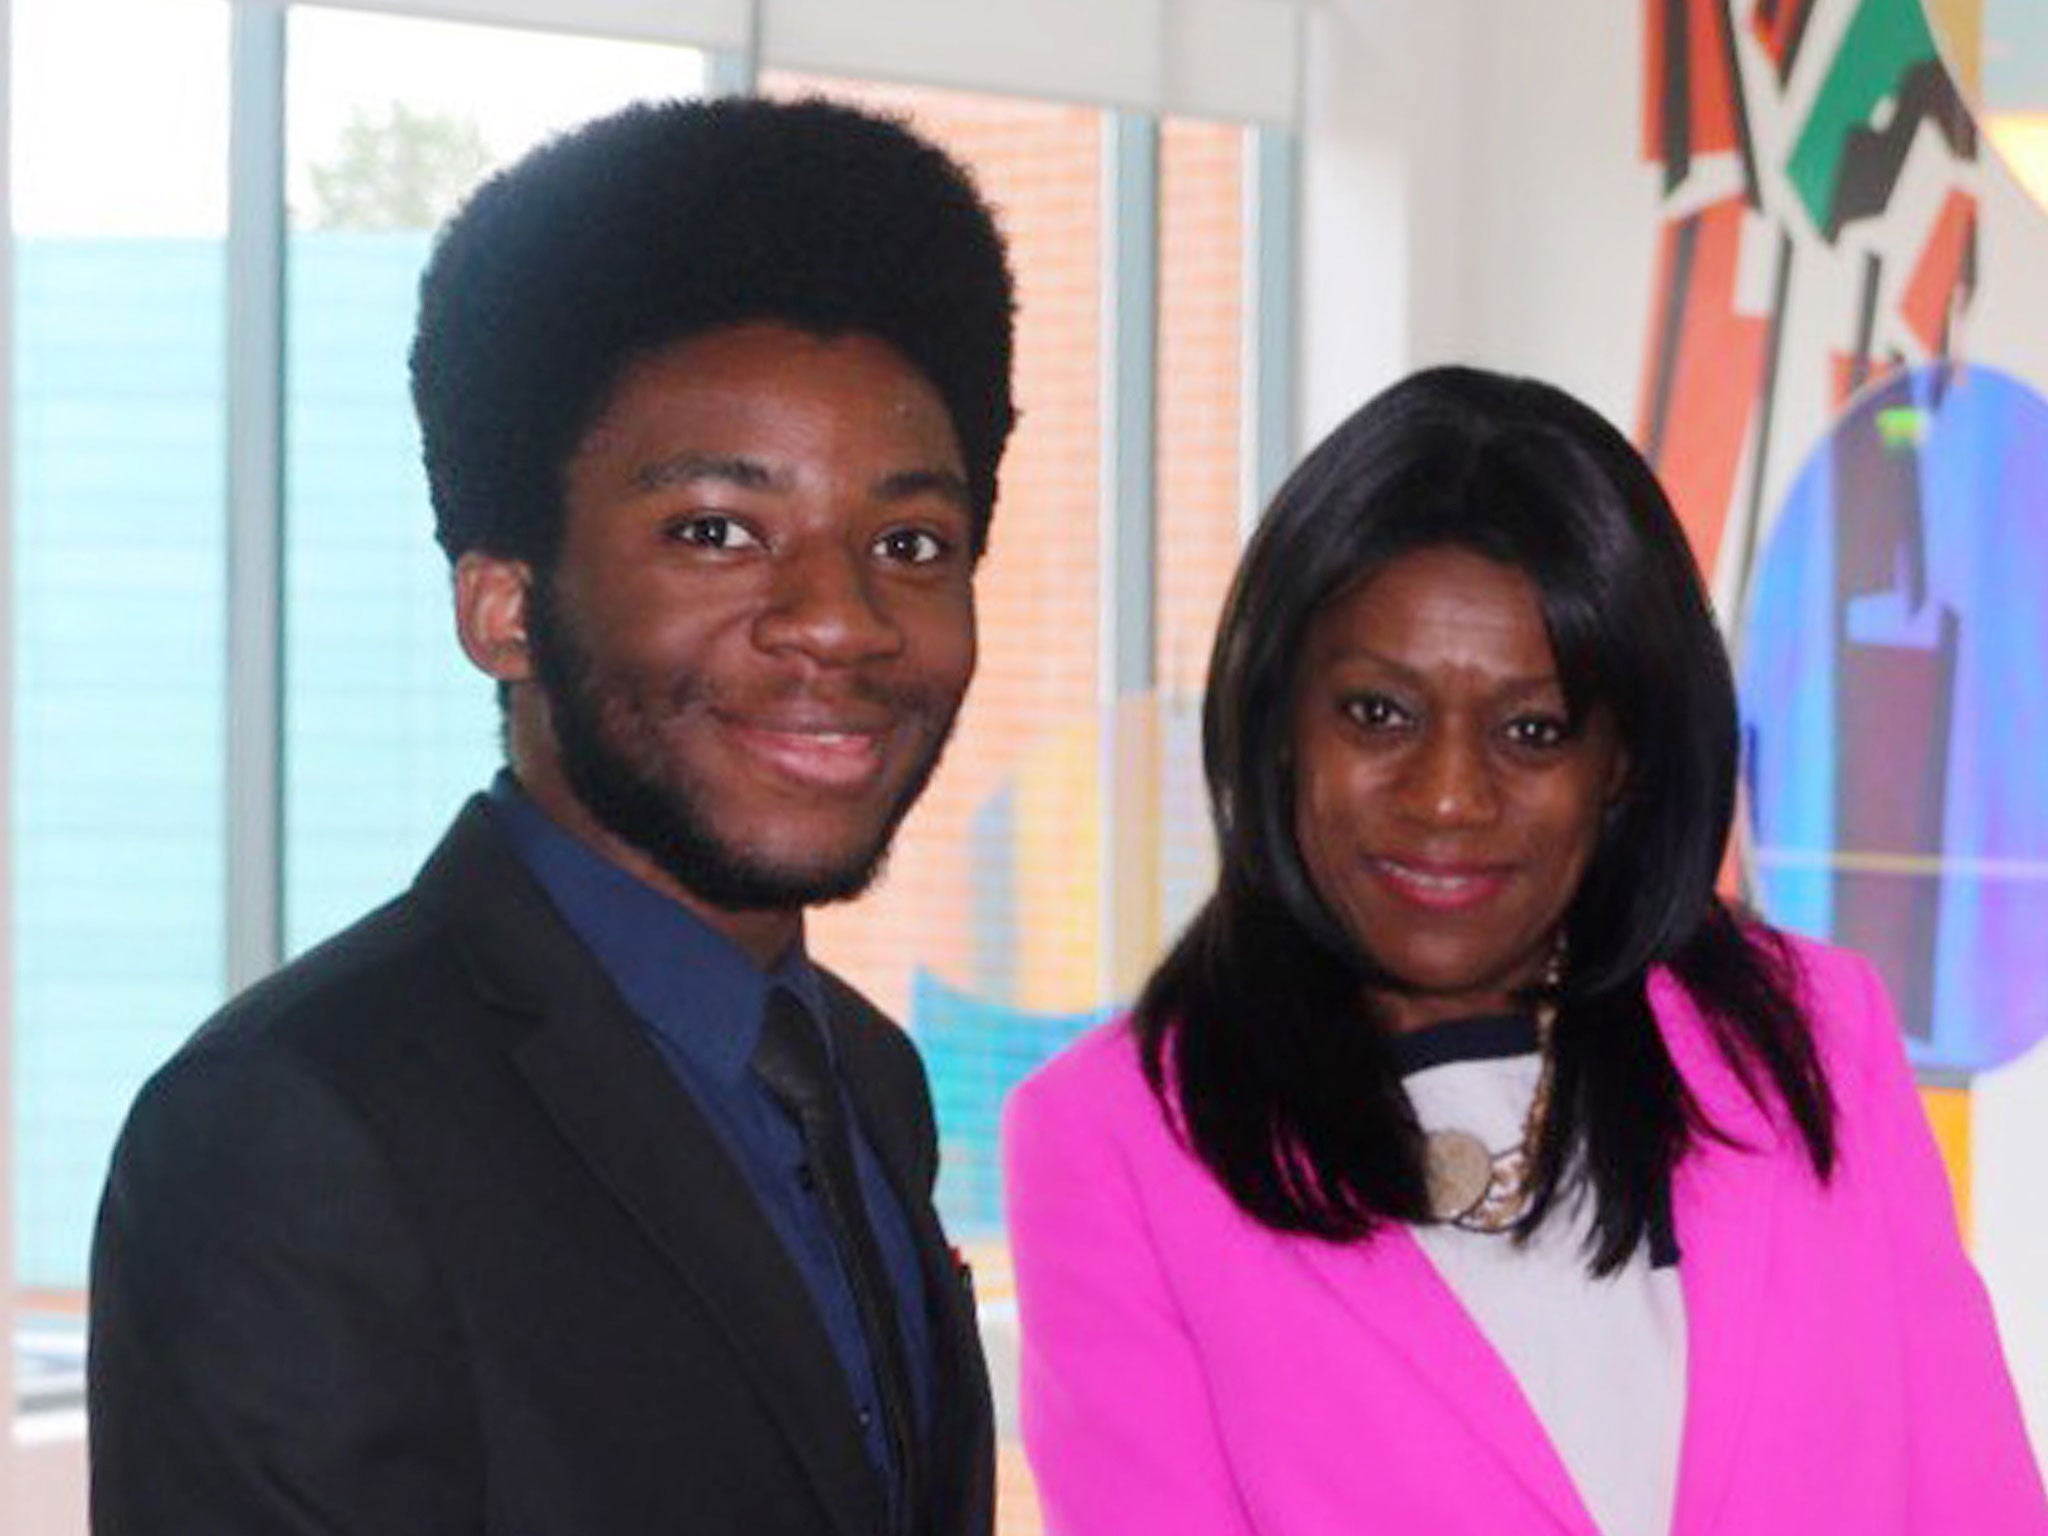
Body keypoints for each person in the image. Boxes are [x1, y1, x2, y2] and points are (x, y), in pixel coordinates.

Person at [89, 96, 1015, 1536]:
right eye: (717, 530)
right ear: (506, 605)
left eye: (909, 542)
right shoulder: (294, 1130)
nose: (842, 621)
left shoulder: (864, 1082)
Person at [1003, 366, 2047, 1535]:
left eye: (1531, 730)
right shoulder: (1112, 1143)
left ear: (1624, 763)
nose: (1448, 796)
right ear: (1274, 719)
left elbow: (1976, 1504)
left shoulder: (1816, 1038)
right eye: (1377, 714)